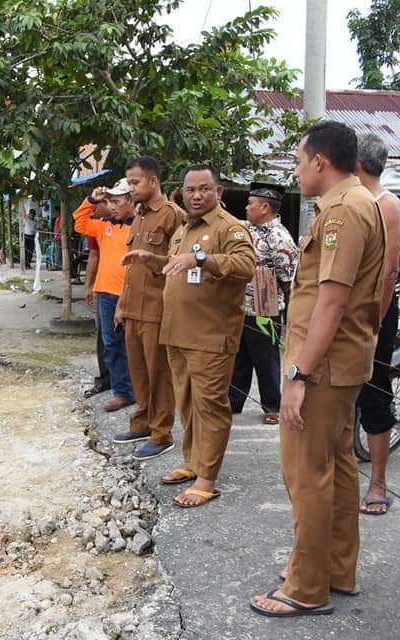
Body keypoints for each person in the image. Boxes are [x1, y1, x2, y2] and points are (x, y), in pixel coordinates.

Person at [250, 121, 386, 618]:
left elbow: (331, 303)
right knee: (339, 468)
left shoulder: (343, 213)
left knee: (307, 474)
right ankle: (336, 569)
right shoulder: (355, 203)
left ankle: (307, 587)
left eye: (298, 160)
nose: (296, 170)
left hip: (322, 367)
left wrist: (298, 377)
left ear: (320, 162)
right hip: (340, 363)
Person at [122, 164, 255, 507]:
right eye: (190, 190)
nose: (197, 196)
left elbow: (245, 266)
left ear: (218, 192)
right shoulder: (184, 229)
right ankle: (193, 462)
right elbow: (176, 264)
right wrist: (153, 259)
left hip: (210, 336)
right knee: (187, 404)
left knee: (210, 406)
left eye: (204, 189)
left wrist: (200, 259)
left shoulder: (230, 227)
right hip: (178, 333)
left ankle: (207, 478)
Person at [113, 156, 184, 460]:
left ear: (153, 181)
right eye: (129, 182)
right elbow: (132, 269)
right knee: (139, 373)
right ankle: (142, 423)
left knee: (159, 375)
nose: (131, 188)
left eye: (135, 182)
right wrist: (121, 304)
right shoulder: (139, 215)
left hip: (157, 309)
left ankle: (161, 432)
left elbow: (178, 263)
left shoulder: (172, 216)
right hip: (133, 308)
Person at [353, 133, 400, 516]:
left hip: (374, 311)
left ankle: (378, 482)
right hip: (345, 309)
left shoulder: (385, 204)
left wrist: (374, 322)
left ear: (357, 163)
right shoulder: (351, 200)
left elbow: (388, 274)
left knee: (374, 390)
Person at [229, 182, 299, 424]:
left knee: (266, 358)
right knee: (239, 356)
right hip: (240, 304)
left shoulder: (280, 238)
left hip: (265, 307)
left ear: (265, 207)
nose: (246, 207)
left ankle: (272, 406)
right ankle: (233, 401)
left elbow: (289, 280)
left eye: (251, 204)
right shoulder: (245, 228)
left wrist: (291, 316)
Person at [74, 178, 135, 412]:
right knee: (111, 344)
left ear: (131, 201)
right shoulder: (103, 226)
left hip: (131, 293)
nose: (111, 206)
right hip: (106, 293)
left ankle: (141, 388)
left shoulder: (140, 226)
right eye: (109, 201)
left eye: (116, 201)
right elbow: (79, 223)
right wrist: (91, 200)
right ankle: (123, 391)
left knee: (136, 344)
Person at [83, 206, 110, 397]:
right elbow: (94, 256)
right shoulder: (96, 226)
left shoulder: (133, 222)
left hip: (127, 286)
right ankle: (107, 379)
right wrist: (89, 285)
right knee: (104, 336)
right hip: (104, 286)